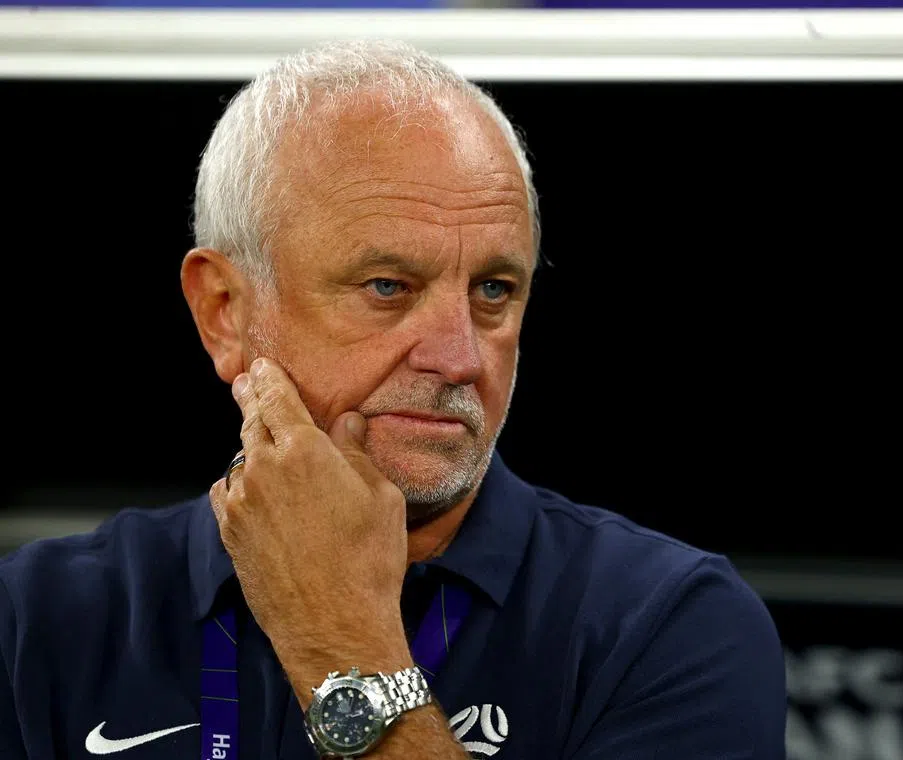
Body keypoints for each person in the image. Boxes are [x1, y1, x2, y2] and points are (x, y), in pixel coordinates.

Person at [0, 39, 785, 759]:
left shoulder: (669, 627)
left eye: (493, 290)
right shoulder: (34, 621)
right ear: (224, 313)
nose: (457, 356)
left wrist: (342, 641)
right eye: (387, 287)